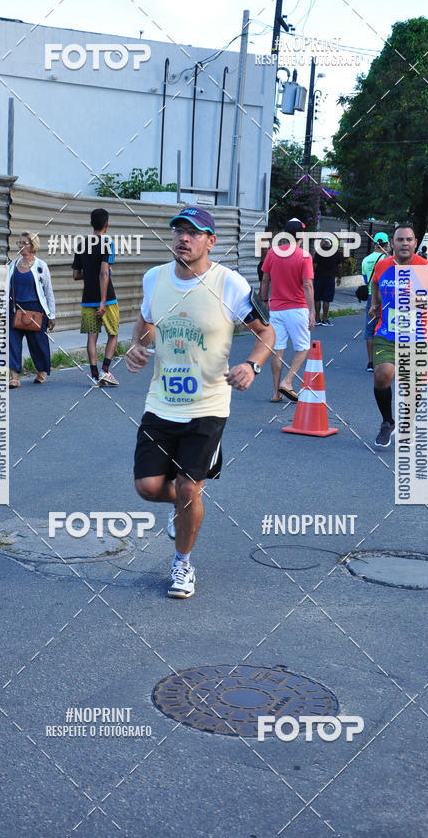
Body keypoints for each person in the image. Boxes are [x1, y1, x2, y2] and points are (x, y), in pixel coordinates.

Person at [125, 207, 274, 599]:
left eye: (194, 233)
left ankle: (182, 564)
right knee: (147, 487)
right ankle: (185, 509)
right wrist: (136, 348)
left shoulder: (230, 285)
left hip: (208, 405)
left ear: (211, 241)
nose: (183, 239)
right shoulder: (154, 278)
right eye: (179, 231)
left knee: (189, 489)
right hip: (161, 402)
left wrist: (252, 366)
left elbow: (266, 331)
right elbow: (145, 324)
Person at [370, 223, 428, 448]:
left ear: (415, 243)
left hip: (417, 336)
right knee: (382, 375)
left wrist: (422, 300)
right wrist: (375, 303)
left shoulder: (426, 267)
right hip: (386, 332)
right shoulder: (382, 265)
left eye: (409, 239)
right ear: (392, 244)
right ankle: (387, 422)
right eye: (400, 239)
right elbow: (375, 284)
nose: (404, 243)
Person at [260, 217, 314, 402]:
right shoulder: (305, 256)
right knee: (303, 347)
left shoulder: (273, 253)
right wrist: (313, 311)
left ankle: (276, 393)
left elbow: (265, 280)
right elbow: (308, 285)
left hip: (275, 309)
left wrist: (264, 301)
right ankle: (288, 381)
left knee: (278, 350)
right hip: (297, 308)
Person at [72, 208, 120, 386]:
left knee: (92, 336)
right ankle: (105, 371)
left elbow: (76, 275)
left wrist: (90, 274)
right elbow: (104, 274)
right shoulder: (108, 244)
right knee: (113, 334)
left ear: (91, 223)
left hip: (87, 299)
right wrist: (102, 301)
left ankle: (94, 376)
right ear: (106, 224)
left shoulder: (80, 245)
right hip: (107, 299)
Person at [6, 232, 56, 388]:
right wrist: (2, 311)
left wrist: (51, 314)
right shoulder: (13, 265)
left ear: (32, 246)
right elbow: (6, 289)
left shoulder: (41, 266)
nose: (20, 246)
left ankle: (41, 371)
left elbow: (48, 291)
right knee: (12, 342)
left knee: (38, 343)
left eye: (24, 243)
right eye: (19, 243)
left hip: (35, 309)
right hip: (14, 307)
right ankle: (14, 377)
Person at [361, 232, 389, 373]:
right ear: (386, 244)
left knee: (370, 330)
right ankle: (385, 361)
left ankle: (371, 362)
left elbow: (366, 281)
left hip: (371, 298)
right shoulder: (388, 260)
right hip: (386, 298)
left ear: (374, 243)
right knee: (387, 328)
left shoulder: (365, 260)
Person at [313, 236, 343, 325]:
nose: (321, 243)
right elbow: (340, 266)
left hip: (318, 278)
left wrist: (312, 273)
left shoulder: (319, 251)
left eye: (322, 241)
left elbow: (314, 264)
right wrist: (339, 277)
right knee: (327, 299)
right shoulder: (336, 252)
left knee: (317, 298)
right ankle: (325, 319)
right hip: (330, 278)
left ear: (325, 242)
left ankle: (317, 319)